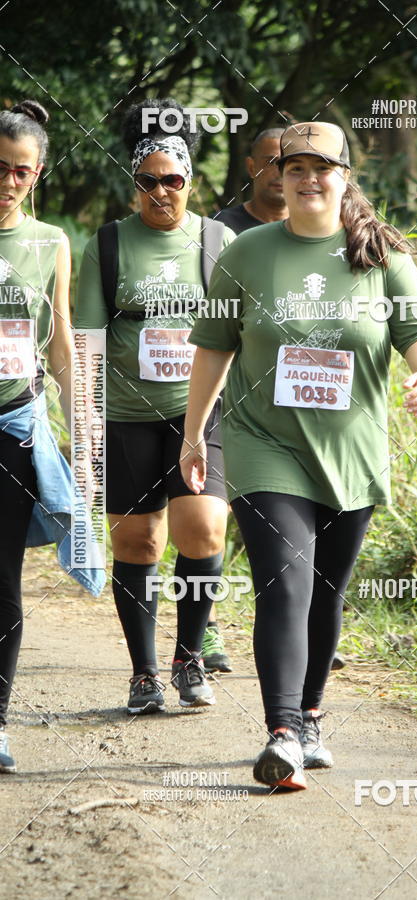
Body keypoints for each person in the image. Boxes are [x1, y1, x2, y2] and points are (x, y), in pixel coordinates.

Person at [181, 121, 417, 789]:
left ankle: (310, 714)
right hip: (264, 443)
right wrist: (193, 434)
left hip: (350, 451)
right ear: (278, 176)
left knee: (326, 592)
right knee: (286, 580)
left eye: (320, 168)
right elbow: (214, 346)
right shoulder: (247, 253)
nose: (306, 178)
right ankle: (281, 730)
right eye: (293, 168)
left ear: (343, 176)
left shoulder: (379, 251)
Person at [74, 99, 235, 716]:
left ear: (190, 183)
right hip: (126, 416)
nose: (162, 192)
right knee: (138, 542)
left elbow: (241, 330)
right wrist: (84, 430)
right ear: (134, 183)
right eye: (149, 181)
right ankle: (144, 673)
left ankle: (189, 655)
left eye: (173, 181)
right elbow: (86, 341)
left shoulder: (219, 241)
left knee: (203, 528)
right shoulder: (110, 243)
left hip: (202, 413)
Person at [0, 100, 77, 772]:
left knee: (2, 580)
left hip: (15, 428)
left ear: (39, 173)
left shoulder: (51, 242)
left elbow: (59, 341)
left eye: (21, 172)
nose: (8, 181)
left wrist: (82, 429)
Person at [199, 127, 289, 674]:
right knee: (218, 518)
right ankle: (204, 628)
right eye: (273, 161)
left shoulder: (323, 230)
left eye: (296, 162)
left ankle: (299, 623)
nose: (283, 171)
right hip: (228, 399)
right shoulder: (220, 232)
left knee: (292, 517)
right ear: (251, 166)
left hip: (295, 402)